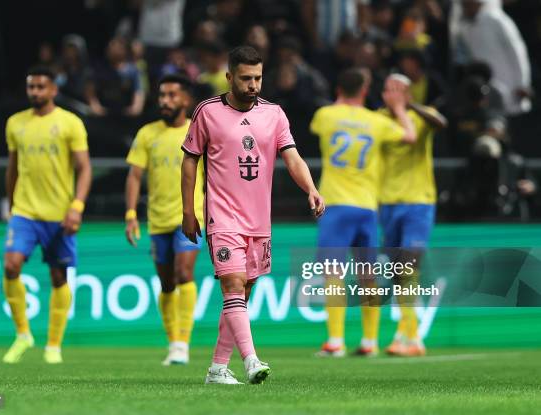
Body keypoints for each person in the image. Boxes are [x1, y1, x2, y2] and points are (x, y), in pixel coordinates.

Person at [181, 46, 325, 384]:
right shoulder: (207, 111)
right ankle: (251, 361)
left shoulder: (274, 114)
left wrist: (311, 188)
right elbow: (190, 160)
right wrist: (188, 210)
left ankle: (217, 369)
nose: (253, 85)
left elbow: (291, 156)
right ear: (230, 77)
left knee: (241, 294)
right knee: (232, 284)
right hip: (222, 216)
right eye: (246, 78)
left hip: (259, 220)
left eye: (258, 78)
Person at [311, 68, 416, 357]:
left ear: (338, 88)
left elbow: (318, 127)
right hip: (367, 208)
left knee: (333, 273)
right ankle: (370, 342)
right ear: (366, 90)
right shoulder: (375, 122)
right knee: (367, 275)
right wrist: (398, 109)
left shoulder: (325, 115)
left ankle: (335, 341)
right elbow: (410, 136)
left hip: (335, 206)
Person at [1, 66, 92, 364]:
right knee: (11, 266)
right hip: (25, 212)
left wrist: (76, 207)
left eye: (41, 87)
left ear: (54, 90)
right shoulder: (15, 123)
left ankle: (53, 345)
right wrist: (10, 204)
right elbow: (13, 167)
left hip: (59, 213)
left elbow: (84, 169)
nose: (35, 92)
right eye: (31, 87)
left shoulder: (70, 123)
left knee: (58, 276)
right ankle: (23, 334)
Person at [124, 74, 204, 366]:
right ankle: (173, 342)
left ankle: (183, 342)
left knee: (185, 274)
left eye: (172, 95)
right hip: (157, 220)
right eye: (162, 95)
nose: (165, 101)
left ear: (186, 99)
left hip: (189, 218)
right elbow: (134, 175)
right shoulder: (147, 134)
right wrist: (131, 214)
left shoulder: (199, 132)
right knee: (167, 283)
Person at [377, 74, 448, 357]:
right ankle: (412, 336)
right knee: (398, 272)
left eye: (400, 89)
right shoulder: (378, 119)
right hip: (387, 204)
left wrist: (409, 106)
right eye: (389, 89)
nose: (394, 94)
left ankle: (407, 335)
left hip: (419, 202)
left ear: (410, 92)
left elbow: (441, 123)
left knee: (408, 264)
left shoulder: (422, 115)